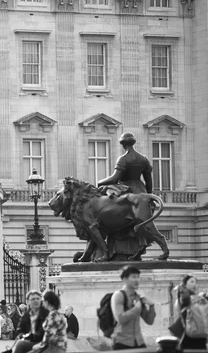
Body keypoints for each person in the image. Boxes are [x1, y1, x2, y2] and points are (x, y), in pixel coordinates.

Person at [98, 132, 152, 260]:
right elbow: (149, 182)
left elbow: (115, 178)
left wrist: (100, 182)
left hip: (127, 191)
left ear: (122, 144)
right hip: (141, 190)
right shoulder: (143, 159)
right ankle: (136, 249)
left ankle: (118, 252)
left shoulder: (123, 158)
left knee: (115, 220)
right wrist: (149, 197)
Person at [110, 265, 156, 350]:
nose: (137, 280)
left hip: (139, 342)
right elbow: (120, 319)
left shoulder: (138, 297)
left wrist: (152, 306)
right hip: (121, 342)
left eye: (138, 277)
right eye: (133, 277)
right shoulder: (118, 295)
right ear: (125, 279)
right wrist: (136, 309)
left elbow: (149, 321)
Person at [175, 275, 207, 349]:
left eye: (196, 282)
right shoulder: (183, 298)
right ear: (184, 284)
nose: (195, 284)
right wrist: (182, 289)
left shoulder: (199, 298)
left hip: (201, 337)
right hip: (187, 337)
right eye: (192, 281)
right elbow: (185, 299)